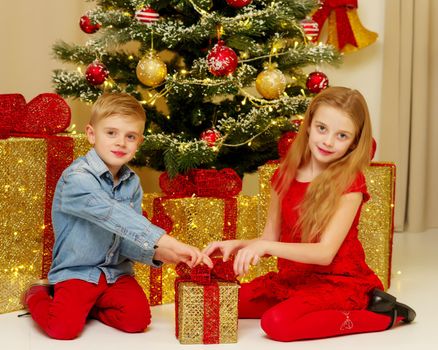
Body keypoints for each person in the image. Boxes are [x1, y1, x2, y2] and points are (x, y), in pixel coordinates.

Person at [204, 87, 416, 341]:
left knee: (276, 324)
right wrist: (237, 245)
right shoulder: (285, 174)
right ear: (308, 125)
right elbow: (270, 238)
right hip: (293, 279)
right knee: (221, 303)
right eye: (322, 128)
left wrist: (263, 246)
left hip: (336, 282)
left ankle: (384, 316)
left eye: (342, 135)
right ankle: (299, 306)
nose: (328, 142)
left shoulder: (350, 183)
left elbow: (325, 254)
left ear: (354, 142)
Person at [22, 92, 212, 340]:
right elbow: (113, 215)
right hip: (79, 271)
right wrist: (166, 241)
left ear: (139, 142)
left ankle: (91, 307)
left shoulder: (131, 182)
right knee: (63, 329)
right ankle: (36, 295)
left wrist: (166, 254)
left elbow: (126, 237)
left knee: (137, 320)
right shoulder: (76, 177)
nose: (121, 142)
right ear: (92, 134)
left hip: (115, 273)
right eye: (111, 133)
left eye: (130, 136)